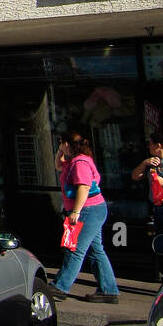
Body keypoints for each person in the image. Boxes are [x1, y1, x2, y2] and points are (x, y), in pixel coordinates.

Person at [47, 129, 120, 303]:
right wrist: (60, 151)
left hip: (87, 211)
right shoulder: (77, 160)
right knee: (96, 250)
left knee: (74, 249)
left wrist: (76, 211)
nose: (60, 146)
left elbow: (84, 187)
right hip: (93, 210)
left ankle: (60, 287)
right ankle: (108, 290)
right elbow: (58, 166)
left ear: (66, 143)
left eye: (61, 143)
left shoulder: (79, 163)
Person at [134, 131, 163, 279]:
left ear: (158, 145)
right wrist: (144, 163)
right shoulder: (152, 162)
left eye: (150, 143)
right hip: (157, 207)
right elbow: (135, 176)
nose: (148, 146)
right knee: (161, 245)